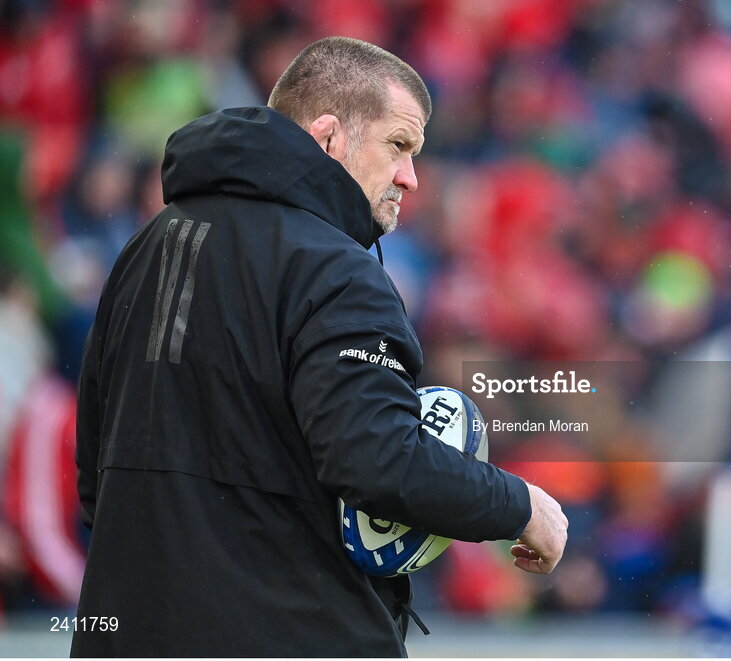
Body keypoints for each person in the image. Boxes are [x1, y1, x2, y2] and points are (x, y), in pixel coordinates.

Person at [72, 37, 567, 657]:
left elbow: (95, 477)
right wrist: (522, 506)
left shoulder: (146, 246)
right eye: (398, 146)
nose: (411, 177)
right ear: (329, 136)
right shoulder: (336, 269)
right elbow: (379, 463)